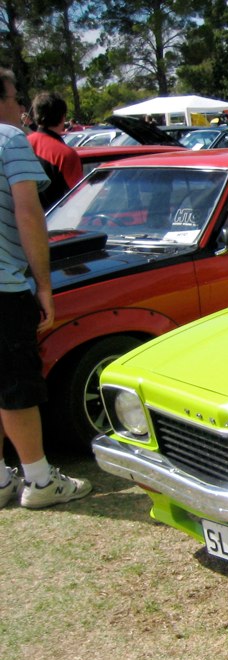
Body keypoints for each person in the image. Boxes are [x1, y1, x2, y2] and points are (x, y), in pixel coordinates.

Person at [0, 69, 92, 509]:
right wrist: (44, 287)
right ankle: (39, 480)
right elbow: (30, 215)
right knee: (17, 385)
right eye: (15, 97)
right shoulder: (8, 140)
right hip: (4, 286)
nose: (21, 108)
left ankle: (1, 478)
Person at [27, 92, 82, 209]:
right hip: (56, 223)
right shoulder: (65, 154)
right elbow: (78, 199)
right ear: (63, 117)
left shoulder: (21, 145)